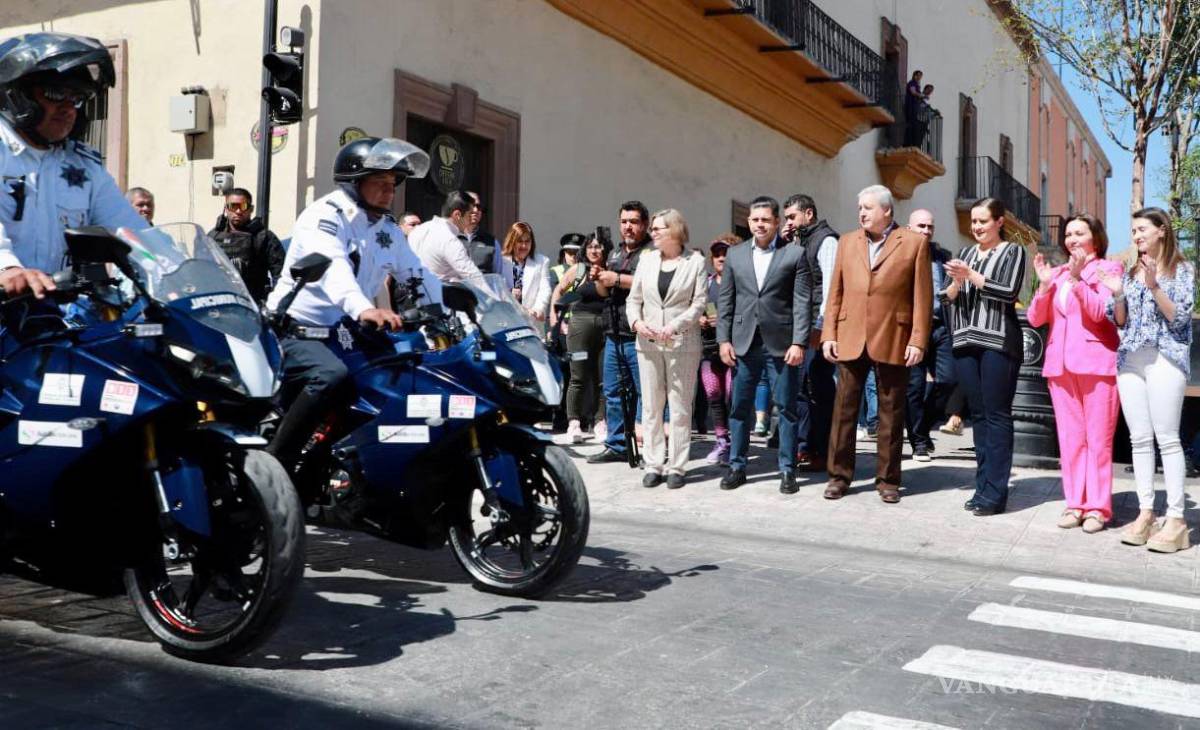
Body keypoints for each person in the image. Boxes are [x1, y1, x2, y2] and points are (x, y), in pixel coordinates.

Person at [264, 137, 440, 471]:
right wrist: (363, 308)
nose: (390, 191)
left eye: (393, 184)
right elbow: (334, 267)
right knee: (332, 377)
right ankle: (277, 462)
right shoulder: (325, 216)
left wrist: (450, 311)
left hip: (340, 330)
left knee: (399, 371)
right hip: (296, 329)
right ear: (354, 181)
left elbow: (417, 272)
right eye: (381, 183)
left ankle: (355, 463)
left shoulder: (386, 227)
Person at [0, 32, 145, 290]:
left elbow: (134, 233)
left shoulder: (83, 165)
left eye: (76, 98)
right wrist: (8, 268)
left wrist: (175, 269)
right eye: (56, 94)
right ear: (17, 95)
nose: (68, 108)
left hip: (51, 314)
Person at [822, 185, 931, 504]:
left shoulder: (914, 243)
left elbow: (922, 297)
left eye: (868, 208)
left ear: (887, 211)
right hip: (850, 333)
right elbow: (835, 293)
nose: (862, 213)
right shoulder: (846, 242)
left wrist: (918, 339)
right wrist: (829, 333)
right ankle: (838, 476)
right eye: (860, 208)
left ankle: (888, 480)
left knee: (891, 411)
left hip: (894, 334)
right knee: (844, 410)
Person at [1098, 207, 1194, 553]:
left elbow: (1180, 320)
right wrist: (1118, 293)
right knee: (1139, 439)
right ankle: (1146, 512)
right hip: (1130, 361)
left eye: (1142, 230)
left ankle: (1177, 520)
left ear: (1161, 231)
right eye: (1134, 231)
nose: (1137, 236)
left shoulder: (1181, 270)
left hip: (1165, 358)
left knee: (1167, 438)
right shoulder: (1129, 271)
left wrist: (1154, 286)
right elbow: (1120, 322)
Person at [1027, 214, 1121, 533]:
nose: (1072, 239)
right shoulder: (1057, 273)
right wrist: (1043, 285)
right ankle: (1075, 503)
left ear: (1095, 237)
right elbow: (1036, 318)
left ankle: (1097, 507)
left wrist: (1080, 281)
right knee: (1070, 440)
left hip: (1097, 365)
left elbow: (1100, 314)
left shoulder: (1109, 269)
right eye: (1068, 234)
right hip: (1060, 366)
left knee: (1098, 440)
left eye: (1079, 232)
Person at [717, 196, 811, 493]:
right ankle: (737, 466)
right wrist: (723, 340)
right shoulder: (735, 255)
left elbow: (802, 302)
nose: (760, 224)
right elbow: (726, 301)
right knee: (739, 407)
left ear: (777, 223)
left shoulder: (795, 254)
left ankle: (787, 469)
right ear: (749, 222)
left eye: (766, 220)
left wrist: (799, 341)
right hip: (743, 343)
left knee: (786, 408)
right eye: (755, 219)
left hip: (782, 344)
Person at [942, 197, 1026, 516]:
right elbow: (949, 297)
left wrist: (972, 275)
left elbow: (1008, 292)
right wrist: (956, 282)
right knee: (978, 416)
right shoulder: (965, 254)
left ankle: (996, 492)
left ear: (999, 222)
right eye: (974, 222)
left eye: (983, 221)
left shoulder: (1012, 252)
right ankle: (982, 488)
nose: (976, 227)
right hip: (965, 341)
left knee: (997, 415)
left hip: (999, 342)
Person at [627, 209, 707, 488]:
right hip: (647, 342)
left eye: (658, 228)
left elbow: (699, 304)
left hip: (682, 343)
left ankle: (677, 467)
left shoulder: (695, 262)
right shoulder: (646, 260)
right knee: (650, 406)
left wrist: (675, 325)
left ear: (674, 230)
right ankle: (653, 464)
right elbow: (633, 299)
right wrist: (636, 322)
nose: (653, 233)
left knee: (680, 407)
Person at [588, 201, 653, 464]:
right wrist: (599, 277)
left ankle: (647, 443)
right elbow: (605, 293)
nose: (628, 226)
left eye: (634, 221)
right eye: (624, 221)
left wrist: (616, 279)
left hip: (640, 332)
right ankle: (616, 444)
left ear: (644, 224)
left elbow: (648, 283)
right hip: (613, 330)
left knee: (644, 392)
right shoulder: (614, 253)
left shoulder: (651, 252)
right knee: (613, 392)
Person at [782, 194, 838, 471]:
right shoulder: (798, 241)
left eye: (792, 217)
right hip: (800, 326)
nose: (788, 223)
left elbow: (830, 287)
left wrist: (821, 326)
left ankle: (824, 449)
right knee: (801, 389)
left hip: (817, 326)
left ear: (809, 214)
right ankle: (806, 446)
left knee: (819, 388)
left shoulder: (826, 240)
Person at [904, 209, 956, 462]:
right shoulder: (900, 256)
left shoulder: (942, 257)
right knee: (913, 388)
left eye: (930, 226)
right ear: (909, 227)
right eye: (921, 226)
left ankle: (921, 427)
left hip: (940, 328)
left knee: (948, 380)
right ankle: (919, 442)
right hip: (912, 330)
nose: (926, 230)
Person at [552, 234, 608, 443]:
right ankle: (573, 422)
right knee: (578, 375)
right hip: (580, 327)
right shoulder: (579, 270)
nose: (594, 251)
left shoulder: (610, 269)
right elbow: (559, 291)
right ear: (585, 249)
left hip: (605, 327)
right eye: (591, 247)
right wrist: (555, 320)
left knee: (602, 378)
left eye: (599, 247)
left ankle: (600, 421)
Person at [698, 234, 739, 464]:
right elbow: (695, 308)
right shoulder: (707, 284)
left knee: (734, 396)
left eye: (726, 253)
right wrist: (700, 320)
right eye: (717, 254)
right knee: (714, 394)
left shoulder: (743, 284)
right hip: (710, 349)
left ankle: (737, 442)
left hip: (736, 350)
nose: (721, 258)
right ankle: (722, 441)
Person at [208, 187, 286, 305]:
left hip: (253, 305)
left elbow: (281, 275)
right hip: (220, 303)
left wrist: (276, 305)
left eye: (243, 206)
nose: (238, 211)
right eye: (233, 206)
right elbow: (201, 271)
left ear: (251, 209)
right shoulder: (212, 237)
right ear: (226, 208)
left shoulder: (264, 237)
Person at [407, 190, 486, 286]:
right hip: (439, 295)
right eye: (469, 215)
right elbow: (472, 275)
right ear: (457, 215)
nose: (470, 220)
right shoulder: (450, 240)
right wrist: (493, 298)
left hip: (414, 294)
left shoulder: (417, 231)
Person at [500, 221, 551, 325]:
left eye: (527, 241)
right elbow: (494, 288)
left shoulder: (542, 261)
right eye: (520, 241)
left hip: (531, 322)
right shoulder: (501, 261)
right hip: (505, 321)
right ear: (512, 241)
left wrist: (538, 309)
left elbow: (545, 289)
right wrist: (509, 293)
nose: (524, 246)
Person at [460, 190, 503, 275]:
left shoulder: (492, 242)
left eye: (478, 207)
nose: (476, 210)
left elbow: (498, 276)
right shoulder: (450, 237)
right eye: (472, 205)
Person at [903, 70, 924, 146]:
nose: (919, 78)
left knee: (913, 124)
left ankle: (911, 141)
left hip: (914, 107)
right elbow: (913, 92)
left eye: (920, 76)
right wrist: (921, 95)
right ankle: (908, 142)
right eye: (918, 76)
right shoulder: (912, 83)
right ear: (914, 75)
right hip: (910, 106)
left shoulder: (916, 84)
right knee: (910, 124)